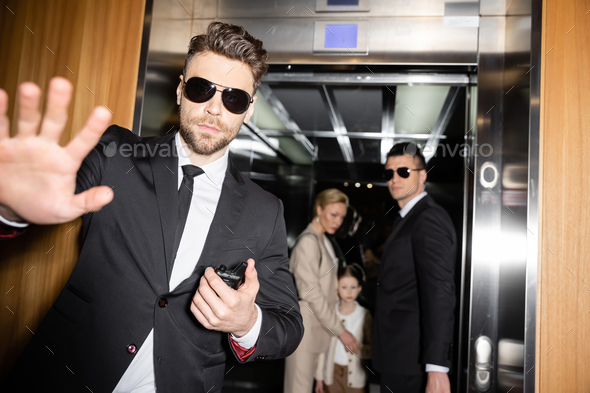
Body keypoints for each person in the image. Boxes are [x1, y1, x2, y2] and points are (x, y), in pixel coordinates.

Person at [0, 22, 303, 392]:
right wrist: (12, 209)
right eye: (200, 88)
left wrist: (245, 322)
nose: (213, 108)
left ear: (249, 110)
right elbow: (46, 198)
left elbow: (289, 325)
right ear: (179, 90)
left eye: (234, 98)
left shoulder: (265, 210)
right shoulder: (115, 153)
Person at [372, 143, 456, 393]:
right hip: (400, 357)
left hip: (413, 362)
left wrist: (437, 367)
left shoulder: (428, 218)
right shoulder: (408, 217)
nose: (395, 179)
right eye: (389, 173)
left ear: (423, 175)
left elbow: (440, 292)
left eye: (404, 172)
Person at [284, 189, 360, 393]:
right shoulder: (308, 241)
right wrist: (341, 331)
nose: (338, 221)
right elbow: (311, 293)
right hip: (306, 330)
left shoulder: (324, 240)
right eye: (333, 214)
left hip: (320, 330)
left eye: (342, 217)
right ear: (319, 209)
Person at [315, 264, 372, 393]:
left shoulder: (365, 315)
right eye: (344, 287)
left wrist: (358, 348)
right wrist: (319, 378)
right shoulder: (330, 313)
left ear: (359, 288)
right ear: (337, 288)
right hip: (331, 374)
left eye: (353, 287)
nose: (349, 292)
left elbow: (373, 348)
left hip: (355, 377)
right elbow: (323, 349)